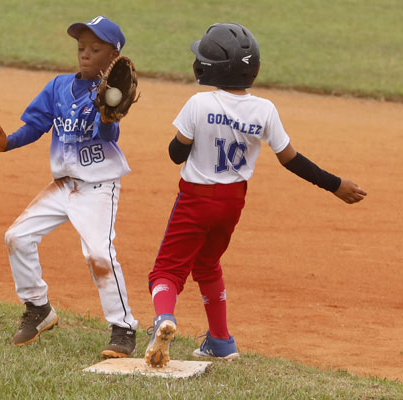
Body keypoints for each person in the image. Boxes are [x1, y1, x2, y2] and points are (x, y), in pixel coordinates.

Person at [144, 22, 367, 368]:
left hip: (196, 199)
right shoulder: (265, 110)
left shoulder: (199, 103)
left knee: (166, 271)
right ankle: (220, 340)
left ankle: (163, 319)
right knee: (207, 264)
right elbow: (292, 160)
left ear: (207, 68)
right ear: (254, 70)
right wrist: (335, 184)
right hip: (232, 202)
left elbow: (176, 154)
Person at [0, 16, 138, 358]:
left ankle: (123, 328)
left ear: (113, 57)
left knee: (98, 254)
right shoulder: (59, 86)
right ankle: (38, 309)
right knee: (17, 237)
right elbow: (36, 124)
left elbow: (109, 134)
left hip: (98, 187)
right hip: (62, 185)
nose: (85, 54)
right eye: (81, 47)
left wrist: (108, 116)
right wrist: (8, 142)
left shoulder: (110, 96)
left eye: (95, 49)